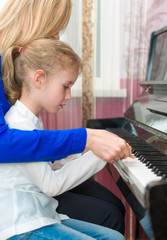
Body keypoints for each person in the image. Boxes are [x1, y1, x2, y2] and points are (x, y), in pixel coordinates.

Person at [0, 0, 132, 235]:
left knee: (111, 205)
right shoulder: (19, 110)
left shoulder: (18, 72)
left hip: (29, 179)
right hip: (18, 207)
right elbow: (5, 143)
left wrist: (90, 146)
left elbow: (37, 155)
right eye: (55, 29)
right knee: (108, 213)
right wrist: (89, 142)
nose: (58, 39)